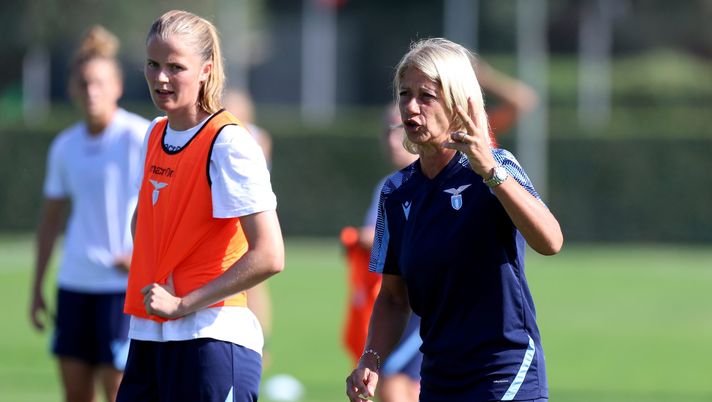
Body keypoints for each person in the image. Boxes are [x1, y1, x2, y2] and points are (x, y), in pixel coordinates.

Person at [345, 38, 563, 402]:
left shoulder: (498, 165)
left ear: (458, 103)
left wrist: (491, 172)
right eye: (404, 94)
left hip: (504, 372)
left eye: (426, 96)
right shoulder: (395, 193)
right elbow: (394, 298)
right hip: (439, 377)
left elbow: (551, 241)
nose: (411, 108)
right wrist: (371, 357)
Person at [116, 10, 284, 402]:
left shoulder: (229, 142)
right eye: (153, 64)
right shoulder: (155, 133)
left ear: (206, 70)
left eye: (175, 67)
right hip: (150, 334)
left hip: (212, 338)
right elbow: (145, 225)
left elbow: (270, 255)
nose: (160, 78)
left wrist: (183, 302)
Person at [29, 25, 149, 402]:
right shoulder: (65, 146)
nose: (91, 91)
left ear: (116, 86)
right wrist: (36, 287)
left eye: (99, 82)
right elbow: (50, 221)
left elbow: (165, 207)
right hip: (74, 284)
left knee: (118, 390)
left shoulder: (140, 136)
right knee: (75, 392)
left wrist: (142, 259)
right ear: (72, 90)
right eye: (83, 83)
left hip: (121, 289)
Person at [342, 104, 422, 402]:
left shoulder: (436, 183)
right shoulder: (391, 186)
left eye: (399, 129)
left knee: (396, 385)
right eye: (386, 131)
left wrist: (364, 238)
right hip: (393, 299)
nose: (390, 140)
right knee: (390, 381)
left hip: (419, 309)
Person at [223, 87, 275, 368]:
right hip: (227, 220)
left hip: (248, 218)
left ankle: (260, 342)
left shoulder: (256, 138)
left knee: (254, 285)